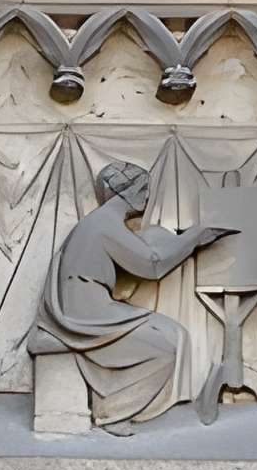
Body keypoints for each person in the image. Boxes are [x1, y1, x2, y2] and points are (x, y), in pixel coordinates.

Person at [22, 160, 213, 430]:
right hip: (87, 312)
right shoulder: (104, 224)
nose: (148, 197)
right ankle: (113, 411)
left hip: (91, 305)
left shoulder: (102, 223)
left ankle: (114, 405)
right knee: (165, 345)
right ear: (130, 191)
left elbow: (142, 255)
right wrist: (195, 236)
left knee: (173, 332)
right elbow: (152, 264)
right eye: (145, 189)